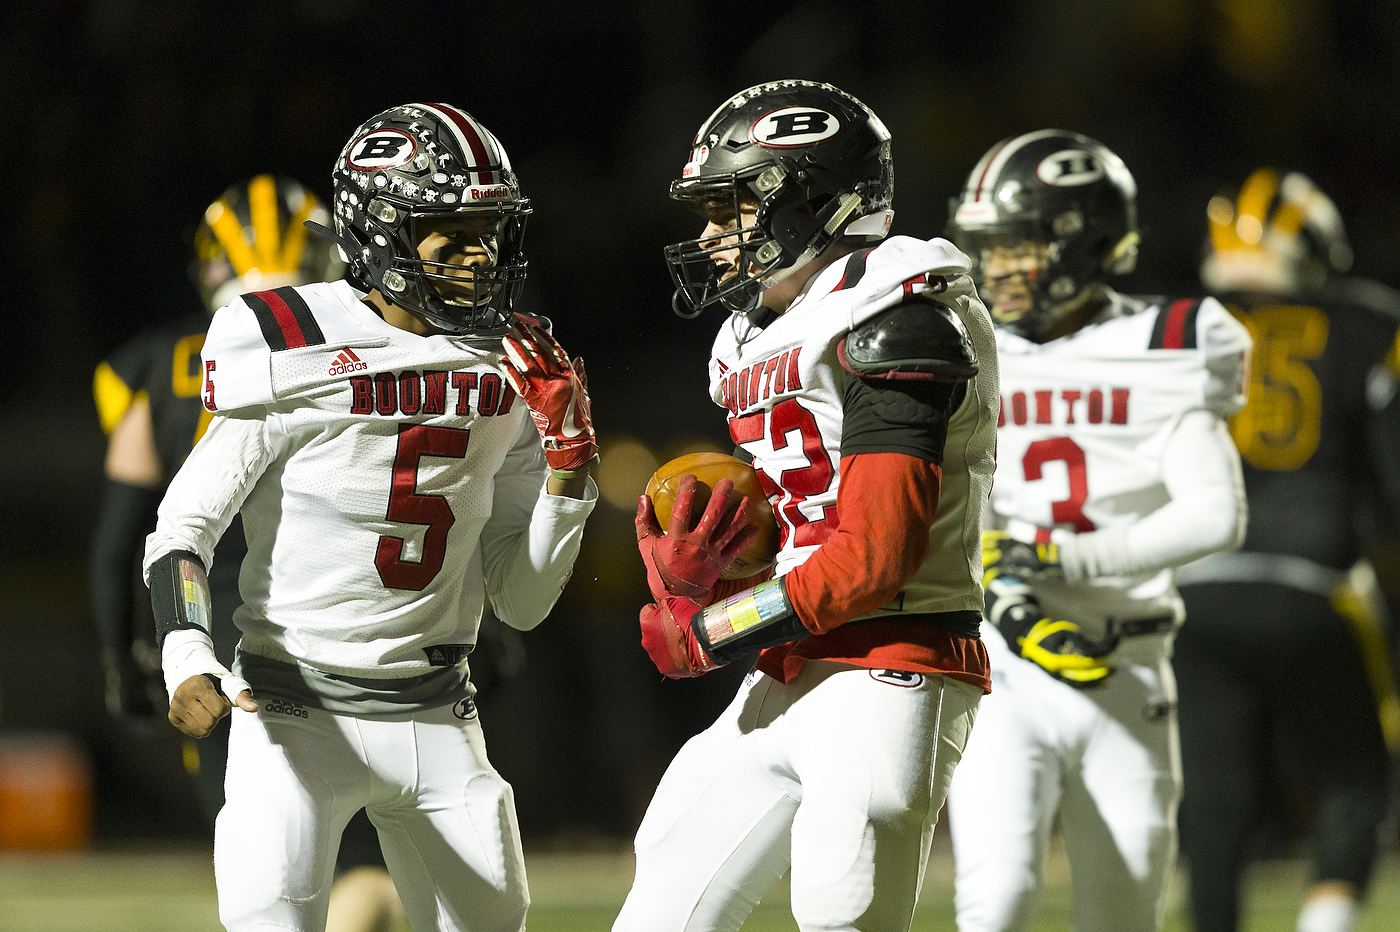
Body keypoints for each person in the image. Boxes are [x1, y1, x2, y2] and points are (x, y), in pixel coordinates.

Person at [142, 102, 598, 932]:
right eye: (449, 232)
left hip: (440, 714)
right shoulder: (288, 339)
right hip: (291, 715)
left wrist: (570, 472)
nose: (479, 256)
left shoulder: (522, 364)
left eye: (490, 230)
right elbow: (183, 527)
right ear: (382, 233)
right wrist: (185, 653)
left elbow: (522, 602)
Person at [613, 79, 999, 932]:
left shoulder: (899, 315)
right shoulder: (769, 329)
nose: (712, 235)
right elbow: (804, 524)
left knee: (840, 911)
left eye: (734, 206)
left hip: (892, 661)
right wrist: (712, 571)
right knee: (665, 893)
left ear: (814, 200)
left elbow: (872, 556)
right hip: (794, 659)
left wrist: (710, 630)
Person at [943, 130, 1251, 932]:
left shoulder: (1168, 345)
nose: (1000, 267)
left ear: (1088, 243)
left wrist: (1058, 554)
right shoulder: (959, 347)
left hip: (1129, 663)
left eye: (1021, 246)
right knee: (998, 897)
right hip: (1003, 662)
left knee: (1125, 913)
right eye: (991, 248)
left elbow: (1216, 513)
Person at [91, 175, 410, 932]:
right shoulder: (377, 348)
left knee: (266, 874)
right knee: (365, 871)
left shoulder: (159, 362)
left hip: (214, 634)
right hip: (350, 621)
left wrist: (123, 657)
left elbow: (118, 541)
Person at [1174, 168, 1400, 932]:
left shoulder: (1173, 328)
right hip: (1317, 582)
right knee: (1357, 776)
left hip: (1190, 586)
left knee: (1213, 799)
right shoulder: (1370, 324)